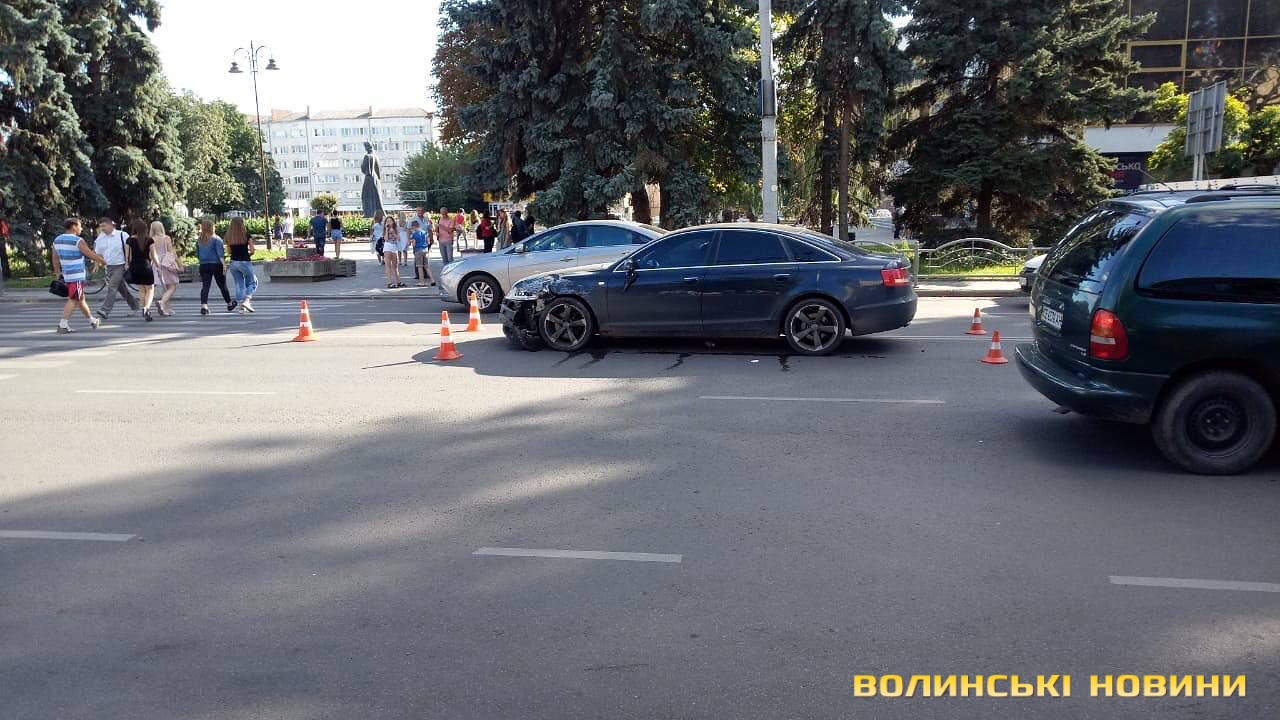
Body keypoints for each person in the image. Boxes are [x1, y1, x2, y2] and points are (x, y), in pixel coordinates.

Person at [51, 217, 107, 333]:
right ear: (73, 227)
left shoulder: (57, 240)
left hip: (67, 275)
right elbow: (89, 253)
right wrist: (102, 261)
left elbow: (55, 258)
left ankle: (92, 320)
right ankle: (63, 325)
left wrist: (57, 272)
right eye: (79, 226)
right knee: (73, 299)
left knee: (80, 299)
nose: (81, 228)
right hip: (76, 275)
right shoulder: (78, 240)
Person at [92, 217, 141, 320]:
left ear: (111, 225)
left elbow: (130, 250)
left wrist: (129, 262)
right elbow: (97, 253)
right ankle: (135, 305)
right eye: (101, 227)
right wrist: (96, 265)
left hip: (121, 265)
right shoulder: (101, 238)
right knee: (122, 289)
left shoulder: (122, 235)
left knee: (112, 286)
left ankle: (105, 310)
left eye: (104, 226)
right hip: (108, 267)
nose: (102, 229)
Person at [196, 219, 235, 315]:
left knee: (205, 286)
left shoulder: (199, 240)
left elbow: (198, 254)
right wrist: (224, 265)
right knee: (222, 285)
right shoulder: (217, 239)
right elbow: (220, 255)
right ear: (211, 228)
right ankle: (229, 303)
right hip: (216, 264)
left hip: (204, 265)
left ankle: (204, 306)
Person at [125, 219, 158, 321]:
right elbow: (154, 255)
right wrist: (158, 265)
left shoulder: (129, 240)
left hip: (135, 267)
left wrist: (127, 264)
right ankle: (146, 308)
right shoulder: (149, 240)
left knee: (141, 289)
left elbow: (128, 256)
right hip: (146, 266)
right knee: (150, 288)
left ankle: (145, 309)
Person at [225, 217, 258, 314]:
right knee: (253, 282)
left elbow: (229, 251)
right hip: (245, 261)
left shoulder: (228, 236)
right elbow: (252, 250)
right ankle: (246, 301)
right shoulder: (246, 235)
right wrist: (249, 254)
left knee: (239, 285)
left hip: (233, 263)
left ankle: (241, 307)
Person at [150, 220, 181, 316]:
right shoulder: (166, 238)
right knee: (172, 287)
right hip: (166, 263)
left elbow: (150, 254)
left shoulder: (151, 239)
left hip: (156, 263)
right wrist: (178, 264)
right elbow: (171, 252)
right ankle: (162, 302)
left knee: (165, 287)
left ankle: (166, 308)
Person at [410, 220, 434, 287]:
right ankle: (432, 280)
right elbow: (428, 242)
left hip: (418, 250)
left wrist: (411, 241)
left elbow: (414, 244)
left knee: (419, 266)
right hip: (425, 250)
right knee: (426, 266)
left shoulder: (414, 234)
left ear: (414, 227)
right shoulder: (424, 232)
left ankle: (422, 282)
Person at [383, 214, 404, 288]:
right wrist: (386, 229)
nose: (389, 222)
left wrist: (394, 233)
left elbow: (399, 238)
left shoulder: (395, 229)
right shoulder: (385, 230)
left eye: (390, 221)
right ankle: (390, 282)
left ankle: (398, 281)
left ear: (393, 222)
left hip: (394, 247)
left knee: (395, 265)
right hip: (387, 247)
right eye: (387, 221)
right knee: (388, 265)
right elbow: (386, 239)